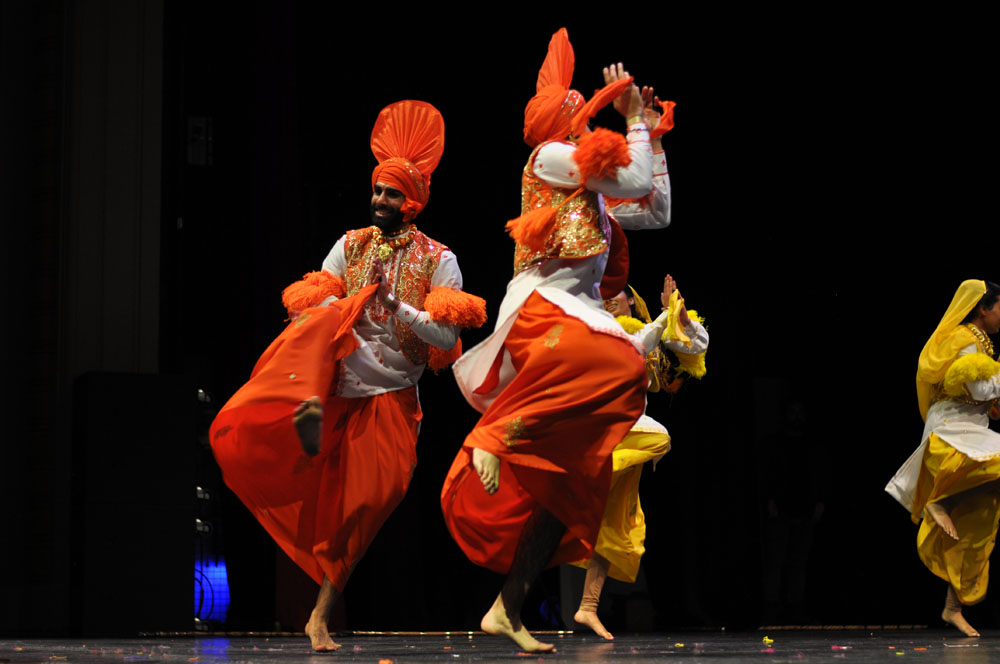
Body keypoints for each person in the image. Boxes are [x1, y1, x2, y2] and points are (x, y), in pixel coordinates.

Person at [210, 100, 486, 651]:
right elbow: (310, 307)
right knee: (312, 488)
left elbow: (444, 340)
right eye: (377, 191)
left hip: (392, 395)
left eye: (391, 193)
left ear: (413, 201)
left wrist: (396, 306)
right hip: (335, 388)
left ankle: (319, 608)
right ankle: (311, 613)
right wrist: (338, 310)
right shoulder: (350, 243)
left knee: (373, 498)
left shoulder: (440, 258)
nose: (380, 200)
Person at [440, 28, 675, 652]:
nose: (585, 127)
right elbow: (629, 179)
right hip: (544, 314)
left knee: (570, 478)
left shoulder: (592, 193)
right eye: (580, 118)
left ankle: (507, 607)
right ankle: (492, 435)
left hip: (578, 315)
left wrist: (646, 130)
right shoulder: (547, 157)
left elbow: (653, 210)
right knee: (617, 364)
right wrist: (633, 127)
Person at [573, 277, 709, 640]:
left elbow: (697, 346)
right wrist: (664, 317)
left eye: (615, 292)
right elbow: (632, 348)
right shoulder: (596, 330)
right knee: (662, 437)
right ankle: (585, 478)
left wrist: (678, 315)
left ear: (631, 299)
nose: (609, 299)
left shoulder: (648, 331)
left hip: (626, 440)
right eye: (601, 294)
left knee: (617, 524)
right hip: (603, 429)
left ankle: (587, 607)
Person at [886, 279, 1000, 637]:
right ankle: (941, 500)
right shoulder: (964, 341)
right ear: (983, 308)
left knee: (977, 520)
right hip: (954, 434)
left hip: (971, 433)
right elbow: (979, 388)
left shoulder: (981, 342)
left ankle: (952, 607)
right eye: (999, 306)